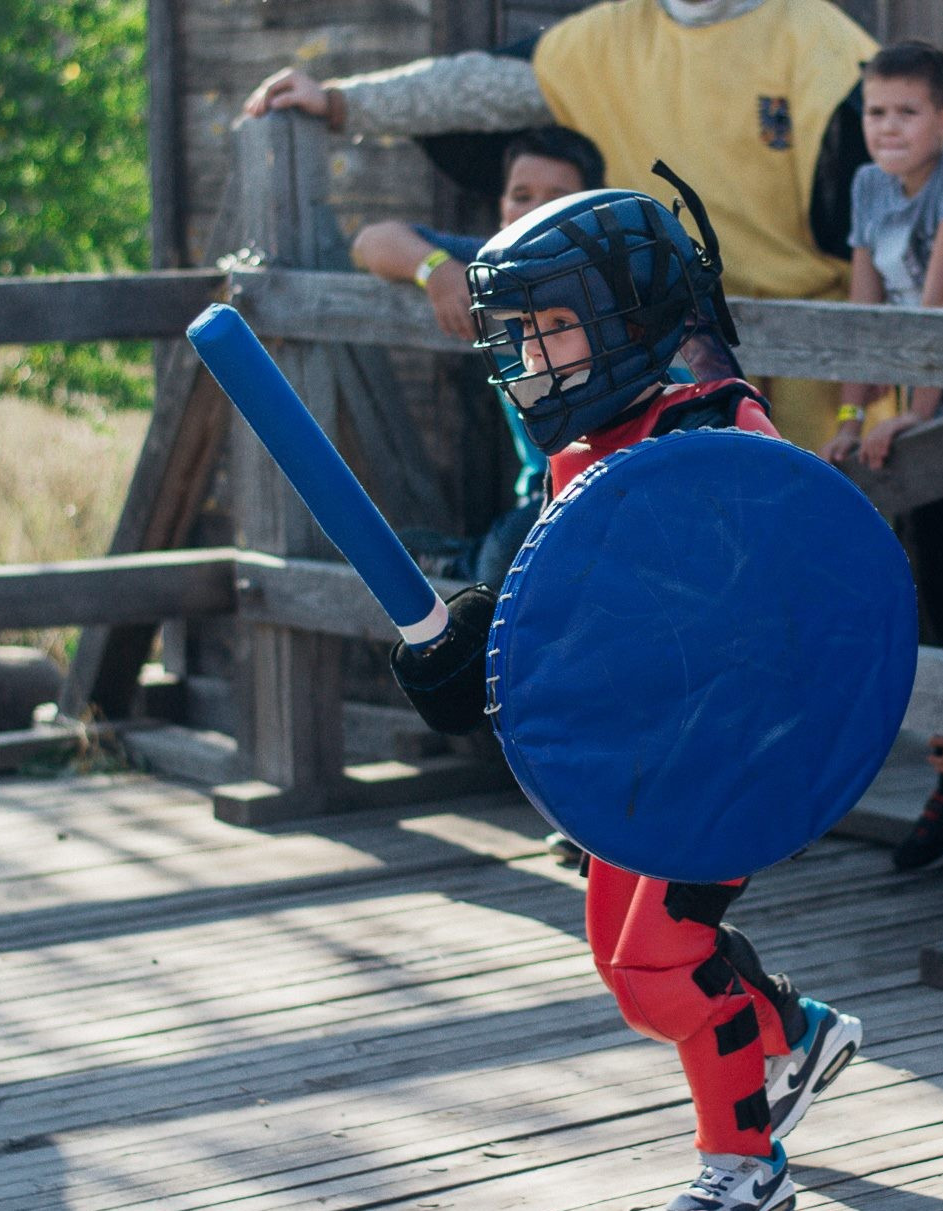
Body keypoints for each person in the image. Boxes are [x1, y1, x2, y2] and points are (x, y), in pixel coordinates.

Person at [441, 182, 864, 1211]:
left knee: (665, 962)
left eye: (554, 326)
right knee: (632, 977)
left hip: (737, 745)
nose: (534, 355)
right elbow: (572, 622)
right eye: (520, 333)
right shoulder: (573, 460)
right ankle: (797, 1031)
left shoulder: (720, 421)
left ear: (627, 319)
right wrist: (470, 647)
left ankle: (745, 1168)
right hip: (641, 757)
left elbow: (791, 582)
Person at [241, 0, 879, 451]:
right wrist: (341, 101)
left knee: (814, 535)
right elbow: (475, 87)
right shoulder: (607, 39)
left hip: (812, 354)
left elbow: (885, 208)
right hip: (657, 340)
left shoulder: (820, 40)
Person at [816, 41, 943, 877]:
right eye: (876, 112)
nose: (888, 128)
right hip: (918, 396)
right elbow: (866, 309)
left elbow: (941, 303)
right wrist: (853, 415)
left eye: (907, 112)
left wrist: (918, 414)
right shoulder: (869, 186)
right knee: (929, 587)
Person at [350, 126, 606, 593]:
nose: (534, 211)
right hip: (541, 498)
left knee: (511, 565)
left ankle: (463, 564)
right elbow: (371, 241)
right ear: (502, 207)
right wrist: (435, 270)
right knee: (485, 552)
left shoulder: (614, 276)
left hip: (611, 484)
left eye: (557, 198)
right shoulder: (493, 267)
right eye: (521, 196)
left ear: (591, 210)